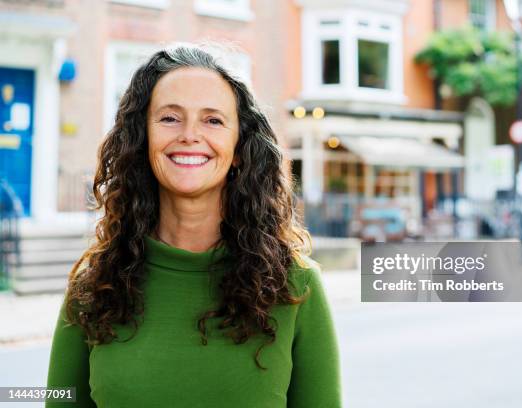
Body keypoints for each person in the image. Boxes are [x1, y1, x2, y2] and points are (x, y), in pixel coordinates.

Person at [45, 42, 342, 408]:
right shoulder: (93, 286)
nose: (189, 135)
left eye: (213, 120)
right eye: (170, 117)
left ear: (239, 147)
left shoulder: (297, 287)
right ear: (142, 139)